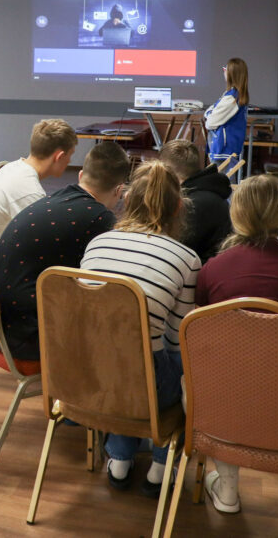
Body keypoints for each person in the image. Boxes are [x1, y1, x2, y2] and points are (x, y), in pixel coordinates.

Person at [194, 174, 278, 524]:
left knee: (216, 381)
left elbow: (200, 336)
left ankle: (226, 487)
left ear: (237, 214)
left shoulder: (212, 270)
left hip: (224, 397)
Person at [80, 160, 200, 498]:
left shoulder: (97, 244)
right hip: (144, 386)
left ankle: (119, 458)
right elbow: (177, 342)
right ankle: (162, 464)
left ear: (127, 200)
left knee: (116, 350)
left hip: (83, 378)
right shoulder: (186, 257)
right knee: (176, 362)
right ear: (178, 207)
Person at [0, 141, 130, 360]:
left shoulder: (55, 197)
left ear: (81, 175)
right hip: (24, 337)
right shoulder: (100, 218)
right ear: (119, 190)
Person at [0, 118, 77, 262]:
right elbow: (43, 246)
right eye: (71, 155)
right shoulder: (30, 191)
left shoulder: (10, 168)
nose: (70, 161)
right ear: (60, 156)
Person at [159, 139, 232, 263]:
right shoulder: (213, 191)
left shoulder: (191, 204)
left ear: (168, 173)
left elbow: (172, 250)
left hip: (197, 273)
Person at [204, 57, 249, 163]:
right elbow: (211, 111)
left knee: (224, 179)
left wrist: (209, 113)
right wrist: (210, 112)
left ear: (231, 74)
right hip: (227, 148)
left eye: (225, 69)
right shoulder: (232, 95)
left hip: (224, 149)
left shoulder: (231, 98)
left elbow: (210, 123)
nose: (224, 72)